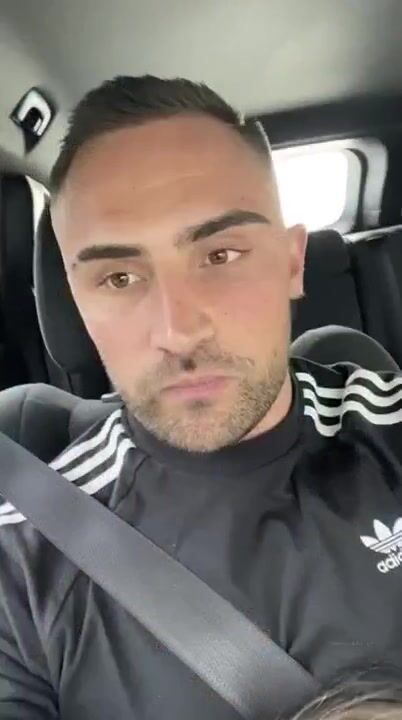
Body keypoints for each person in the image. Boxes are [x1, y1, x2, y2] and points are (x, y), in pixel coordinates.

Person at [0, 75, 402, 720]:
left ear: (292, 261)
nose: (178, 330)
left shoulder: (388, 427)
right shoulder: (23, 559)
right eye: (119, 277)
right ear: (77, 301)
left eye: (221, 254)